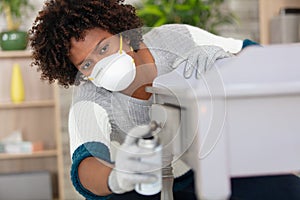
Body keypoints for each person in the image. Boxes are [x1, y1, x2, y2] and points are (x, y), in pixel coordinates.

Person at [29, 0, 300, 200]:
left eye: (104, 47)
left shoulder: (175, 38)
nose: (102, 64)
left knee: (287, 190)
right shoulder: (90, 97)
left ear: (120, 31)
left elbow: (254, 54)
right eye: (87, 64)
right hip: (147, 183)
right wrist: (117, 177)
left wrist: (225, 61)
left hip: (212, 161)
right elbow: (86, 164)